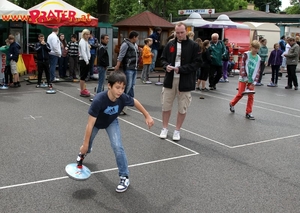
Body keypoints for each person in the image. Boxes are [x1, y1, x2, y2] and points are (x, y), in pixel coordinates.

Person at [75, 71, 154, 193]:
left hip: (111, 122)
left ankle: (124, 177)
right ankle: (83, 154)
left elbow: (135, 102)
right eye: (117, 87)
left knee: (118, 147)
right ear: (109, 86)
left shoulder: (122, 97)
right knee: (87, 146)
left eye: (122, 88)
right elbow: (90, 124)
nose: (120, 91)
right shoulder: (99, 100)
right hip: (96, 124)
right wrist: (85, 145)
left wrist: (147, 115)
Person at [159, 22, 202, 141]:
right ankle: (164, 128)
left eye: (182, 32)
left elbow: (197, 63)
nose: (179, 35)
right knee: (166, 105)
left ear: (186, 31)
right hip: (170, 79)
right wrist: (166, 66)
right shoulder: (170, 44)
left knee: (182, 107)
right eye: (177, 33)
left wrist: (182, 69)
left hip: (185, 80)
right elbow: (162, 59)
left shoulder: (194, 46)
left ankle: (177, 130)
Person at [229, 40, 261, 120]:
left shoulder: (258, 58)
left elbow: (258, 70)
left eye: (257, 48)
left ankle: (248, 112)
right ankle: (232, 103)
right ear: (251, 47)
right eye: (255, 48)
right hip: (243, 79)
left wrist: (255, 81)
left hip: (251, 79)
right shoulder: (246, 55)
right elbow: (243, 67)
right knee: (240, 94)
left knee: (251, 96)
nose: (256, 50)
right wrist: (245, 78)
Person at [114, 30, 140, 114]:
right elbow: (121, 55)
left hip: (134, 67)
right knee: (127, 85)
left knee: (132, 85)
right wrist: (117, 65)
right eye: (137, 37)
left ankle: (130, 100)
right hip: (128, 67)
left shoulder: (135, 45)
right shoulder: (125, 44)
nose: (137, 39)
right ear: (134, 37)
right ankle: (122, 102)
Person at [78, 29, 91, 97]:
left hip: (86, 59)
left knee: (85, 75)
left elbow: (87, 51)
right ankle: (82, 90)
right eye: (86, 34)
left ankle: (84, 88)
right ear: (83, 34)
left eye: (88, 34)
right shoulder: (82, 41)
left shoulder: (86, 41)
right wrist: (86, 60)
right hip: (83, 60)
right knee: (83, 76)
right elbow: (83, 52)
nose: (88, 36)